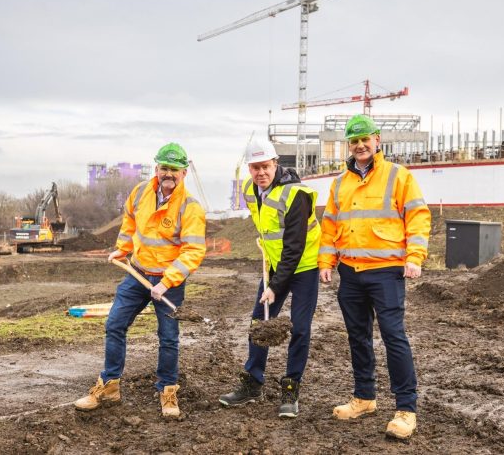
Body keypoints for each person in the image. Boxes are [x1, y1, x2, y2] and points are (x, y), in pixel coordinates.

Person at [318, 114, 432, 440]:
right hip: (350, 273)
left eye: (365, 139)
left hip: (386, 273)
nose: (360, 145)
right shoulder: (340, 183)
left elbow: (418, 217)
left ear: (377, 139)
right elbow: (330, 227)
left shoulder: (399, 176)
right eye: (354, 141)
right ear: (348, 146)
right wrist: (326, 262)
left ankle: (406, 409)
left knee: (394, 336)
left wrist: (415, 257)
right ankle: (364, 398)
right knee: (358, 337)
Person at [74, 143, 206, 418]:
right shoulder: (141, 192)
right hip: (138, 273)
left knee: (168, 337)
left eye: (174, 170)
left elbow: (193, 251)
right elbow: (129, 222)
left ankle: (168, 391)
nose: (168, 174)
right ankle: (109, 386)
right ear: (157, 168)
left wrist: (167, 282)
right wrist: (122, 249)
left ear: (184, 173)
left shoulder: (191, 207)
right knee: (115, 324)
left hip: (168, 280)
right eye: (164, 168)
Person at [218, 139, 321, 418]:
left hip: (304, 266)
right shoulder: (250, 189)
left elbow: (295, 246)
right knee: (259, 323)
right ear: (249, 168)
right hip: (275, 264)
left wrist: (274, 287)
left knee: (299, 327)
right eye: (255, 167)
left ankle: (290, 388)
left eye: (265, 166)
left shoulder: (296, 194)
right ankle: (253, 383)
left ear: (276, 164)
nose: (260, 172)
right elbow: (267, 226)